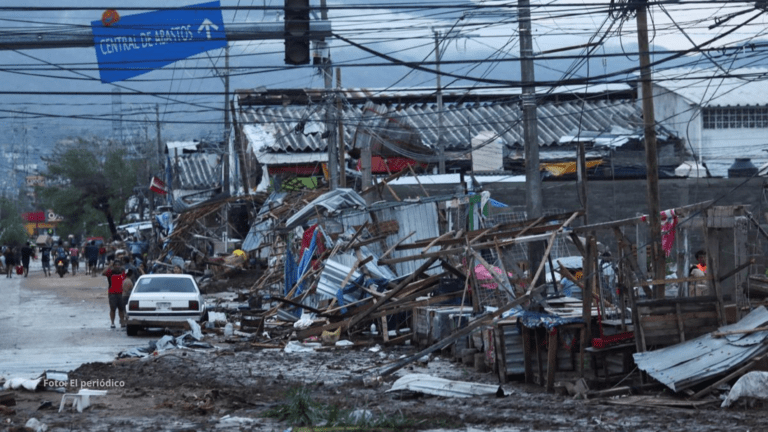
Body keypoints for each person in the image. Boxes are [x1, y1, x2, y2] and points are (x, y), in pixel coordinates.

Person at [102, 261, 126, 329]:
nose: (117, 266)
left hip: (121, 293)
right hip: (112, 293)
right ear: (113, 265)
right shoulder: (110, 272)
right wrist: (109, 265)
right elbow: (103, 273)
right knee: (113, 309)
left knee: (121, 309)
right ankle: (112, 323)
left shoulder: (122, 272)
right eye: (116, 265)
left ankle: (122, 322)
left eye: (119, 265)